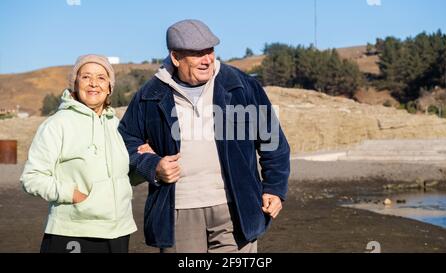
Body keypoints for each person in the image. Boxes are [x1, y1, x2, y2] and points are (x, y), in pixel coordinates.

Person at [119, 19, 290, 253]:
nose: (207, 59)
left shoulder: (241, 86)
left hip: (236, 209)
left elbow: (273, 142)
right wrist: (152, 165)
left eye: (210, 50)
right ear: (176, 57)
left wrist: (274, 188)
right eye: (197, 53)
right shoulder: (150, 95)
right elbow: (124, 142)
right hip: (178, 211)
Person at [21, 54, 147, 253]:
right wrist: (71, 194)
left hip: (119, 231)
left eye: (101, 78)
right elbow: (31, 177)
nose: (93, 84)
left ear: (110, 87)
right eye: (86, 77)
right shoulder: (57, 124)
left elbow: (125, 176)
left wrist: (144, 162)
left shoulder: (117, 126)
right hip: (74, 232)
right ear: (75, 83)